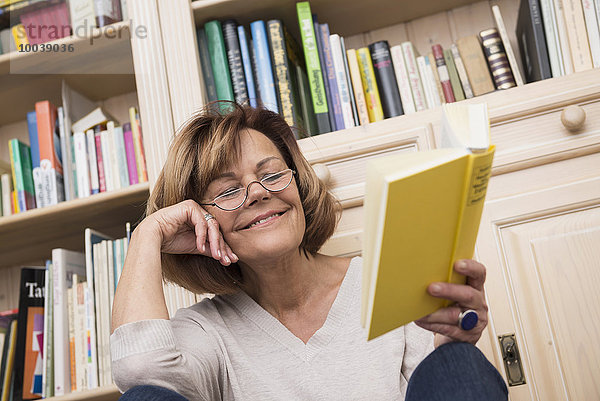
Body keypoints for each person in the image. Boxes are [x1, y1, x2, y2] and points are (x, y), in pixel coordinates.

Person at [110, 102, 508, 401]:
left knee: (458, 364)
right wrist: (147, 235)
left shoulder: (390, 277)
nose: (260, 193)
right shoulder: (206, 331)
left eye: (271, 174)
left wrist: (451, 342)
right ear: (200, 221)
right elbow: (140, 374)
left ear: (297, 184)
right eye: (228, 190)